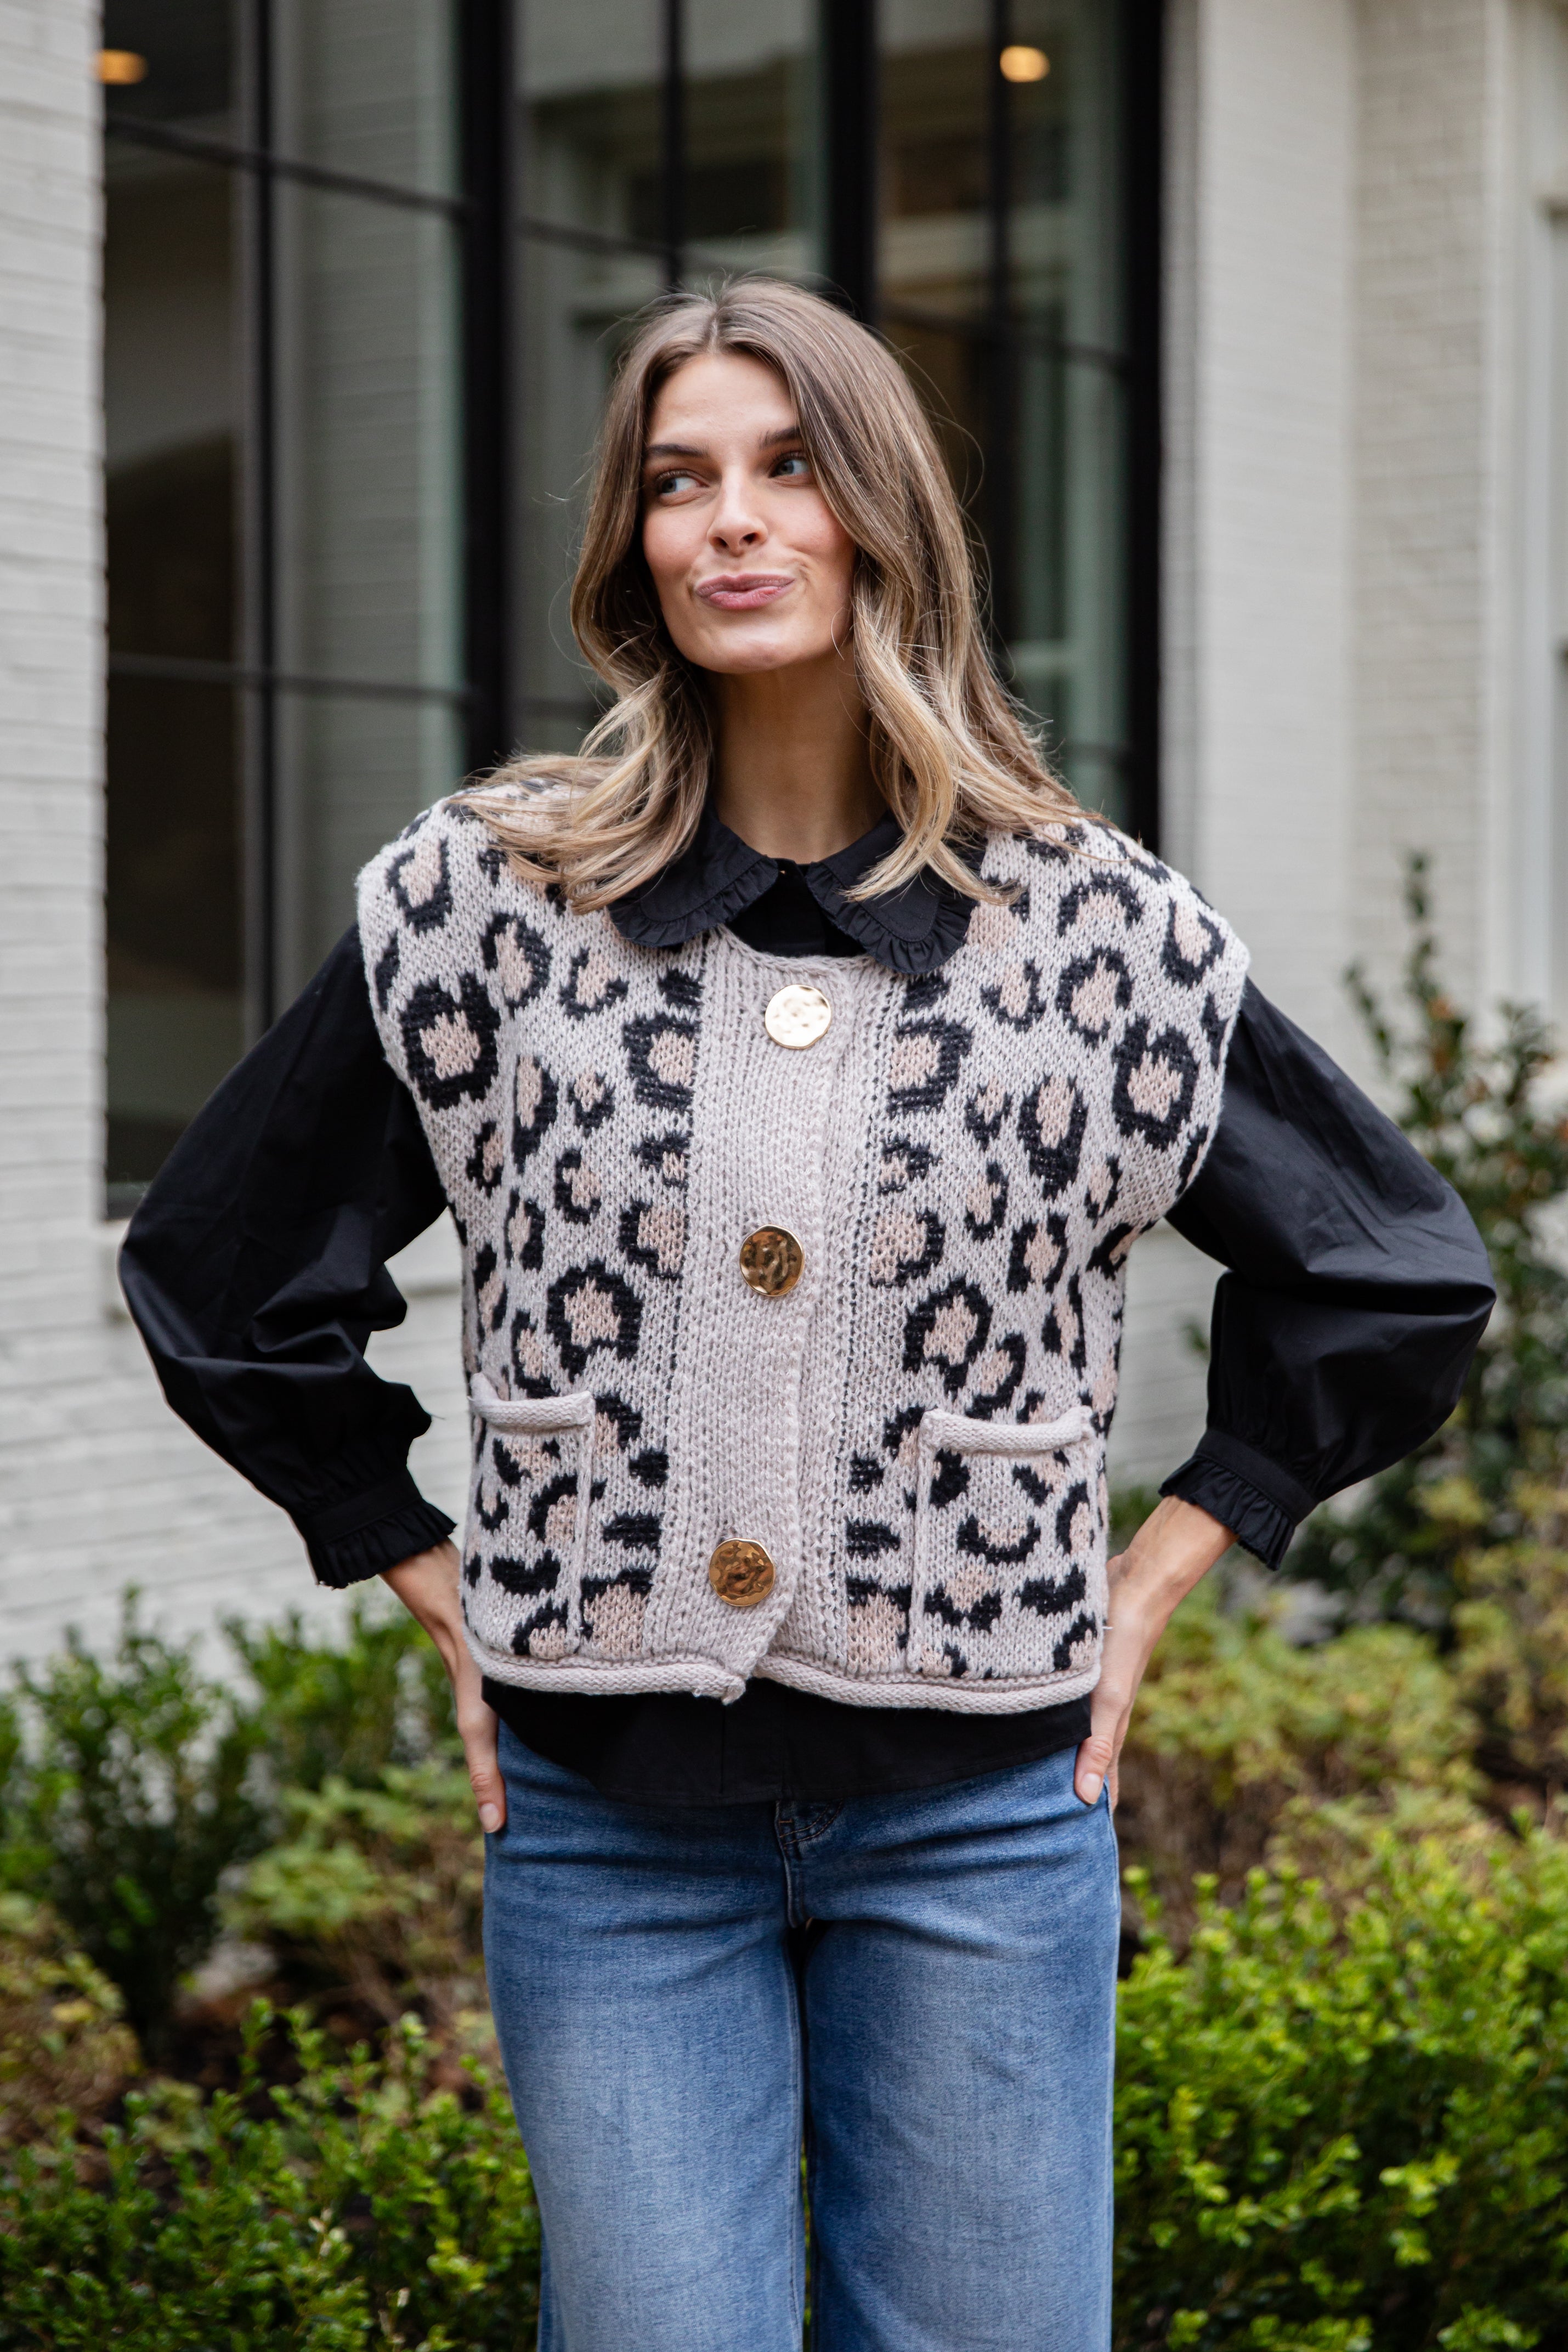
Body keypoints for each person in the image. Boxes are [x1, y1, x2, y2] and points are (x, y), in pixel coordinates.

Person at [122, 277, 1494, 2352]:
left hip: (979, 1823)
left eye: (787, 470)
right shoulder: (488, 910)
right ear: (629, 541)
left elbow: (1390, 1271)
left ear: (884, 520)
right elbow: (224, 1270)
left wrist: (1140, 1589)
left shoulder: (1095, 939)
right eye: (678, 481)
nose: (729, 523)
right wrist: (435, 1580)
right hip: (605, 1841)